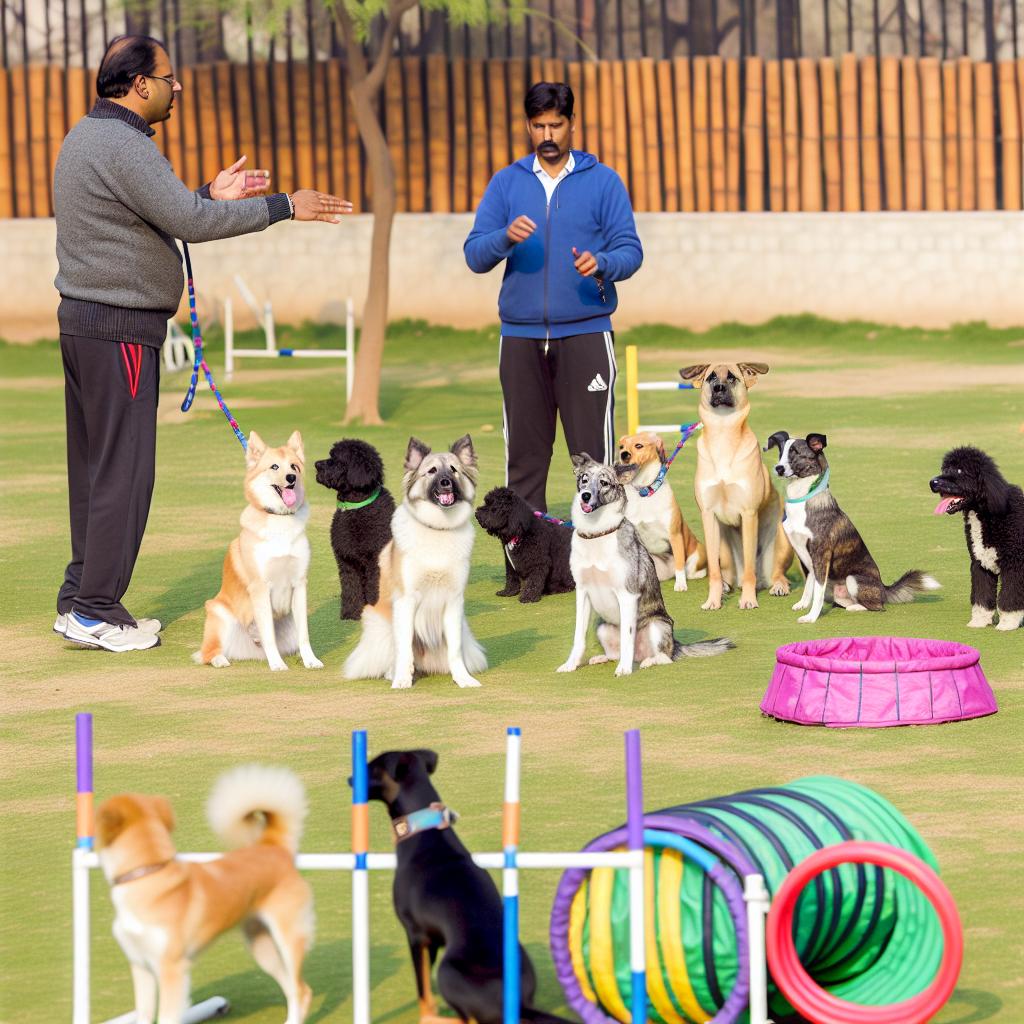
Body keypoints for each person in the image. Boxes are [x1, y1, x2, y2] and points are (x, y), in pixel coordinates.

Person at [52, 34, 351, 652]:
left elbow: (169, 211)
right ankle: (94, 610)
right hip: (119, 330)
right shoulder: (124, 144)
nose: (176, 89)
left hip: (85, 324)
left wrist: (208, 197)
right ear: (140, 85)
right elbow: (187, 223)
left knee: (94, 470)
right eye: (169, 79)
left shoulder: (88, 136)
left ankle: (80, 598)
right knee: (124, 474)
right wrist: (283, 206)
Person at [464, 81, 643, 513]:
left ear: (572, 125)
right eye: (539, 126)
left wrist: (602, 262)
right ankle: (526, 572)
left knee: (595, 462)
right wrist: (505, 237)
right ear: (529, 126)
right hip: (520, 338)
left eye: (556, 126)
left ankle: (603, 570)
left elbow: (631, 251)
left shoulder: (604, 182)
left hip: (587, 335)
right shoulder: (506, 183)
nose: (548, 135)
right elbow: (474, 254)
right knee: (524, 458)